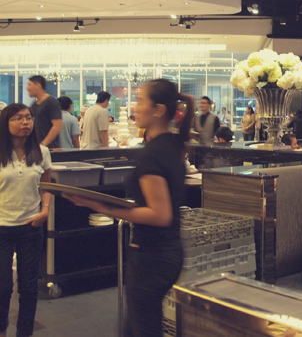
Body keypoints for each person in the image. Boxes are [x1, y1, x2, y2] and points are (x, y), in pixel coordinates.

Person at [64, 79, 195, 337]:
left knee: (143, 328)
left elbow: (159, 215)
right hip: (167, 252)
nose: (135, 107)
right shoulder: (173, 144)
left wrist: (99, 205)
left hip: (152, 256)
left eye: (141, 101)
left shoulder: (153, 154)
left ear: (158, 109)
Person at [0, 103, 52, 337]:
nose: (25, 122)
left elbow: (47, 186)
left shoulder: (42, 152)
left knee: (29, 288)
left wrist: (45, 210)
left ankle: (25, 333)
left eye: (29, 118)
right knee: (2, 287)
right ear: (5, 123)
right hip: (1, 227)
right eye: (18, 118)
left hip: (31, 226)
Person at [26, 75, 63, 148]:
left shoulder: (52, 102)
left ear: (38, 85)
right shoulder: (34, 105)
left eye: (29, 84)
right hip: (36, 148)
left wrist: (43, 144)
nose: (27, 88)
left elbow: (57, 126)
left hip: (49, 149)